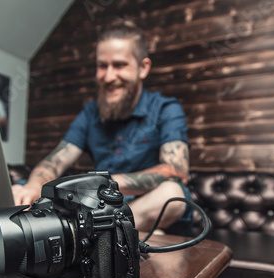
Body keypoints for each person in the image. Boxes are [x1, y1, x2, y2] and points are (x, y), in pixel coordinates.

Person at [13, 20, 192, 235]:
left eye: (119, 65)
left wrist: (99, 185)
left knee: (172, 195)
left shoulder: (166, 109)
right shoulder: (91, 113)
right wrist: (34, 186)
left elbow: (176, 171)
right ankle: (121, 234)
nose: (108, 77)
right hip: (97, 208)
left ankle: (94, 234)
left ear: (143, 68)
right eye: (102, 66)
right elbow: (54, 162)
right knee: (18, 187)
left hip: (141, 206)